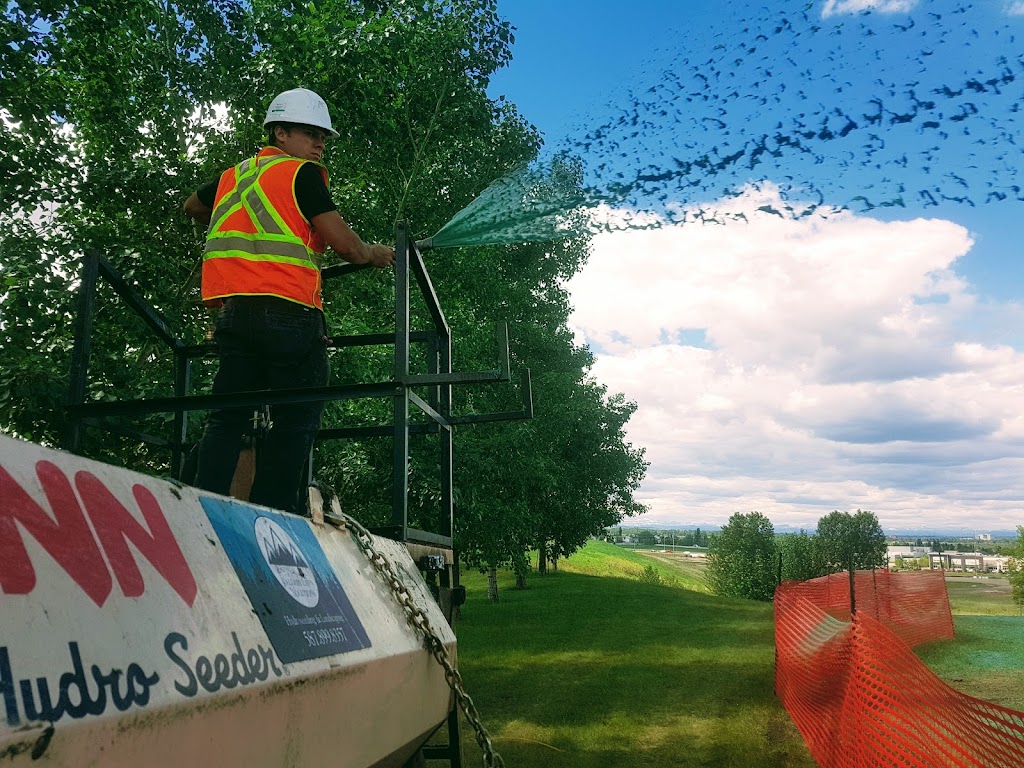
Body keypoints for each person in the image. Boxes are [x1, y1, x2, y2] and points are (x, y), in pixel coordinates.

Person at [182, 87, 394, 515]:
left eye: (323, 137)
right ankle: (273, 516)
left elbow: (191, 206)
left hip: (235, 315)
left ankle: (202, 507)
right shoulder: (302, 176)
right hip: (289, 314)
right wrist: (374, 254)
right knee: (296, 419)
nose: (319, 144)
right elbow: (347, 248)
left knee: (227, 416)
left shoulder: (233, 177)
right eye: (311, 134)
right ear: (280, 132)